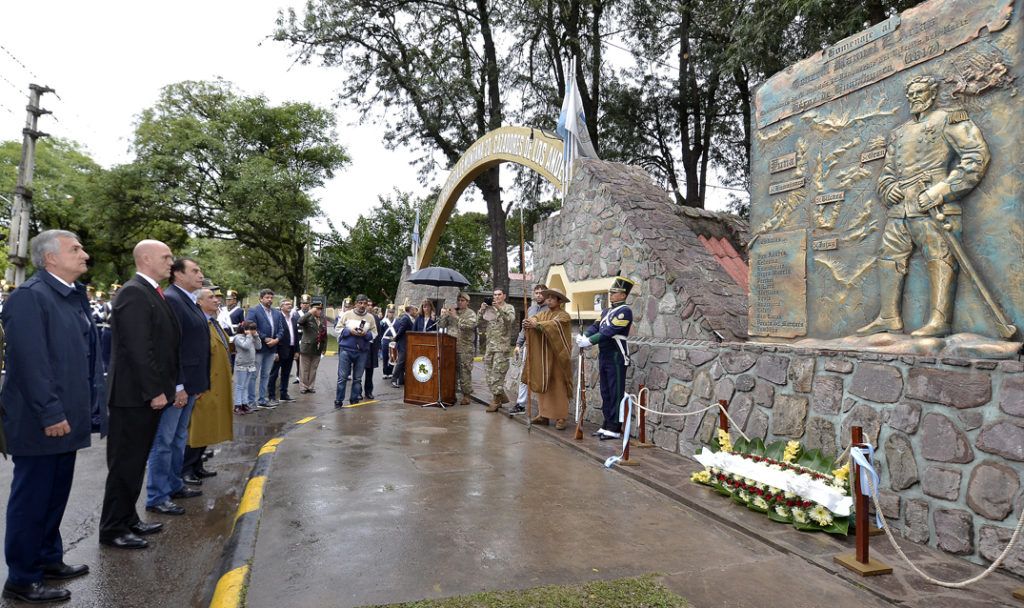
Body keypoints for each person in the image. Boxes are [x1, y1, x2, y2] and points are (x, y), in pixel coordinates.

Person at [1, 230, 101, 603]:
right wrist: (51, 412)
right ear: (49, 258)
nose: (84, 254)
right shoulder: (30, 298)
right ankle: (22, 578)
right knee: (32, 499)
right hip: (41, 418)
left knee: (54, 494)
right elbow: (30, 364)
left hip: (66, 417)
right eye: (75, 249)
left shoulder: (69, 297)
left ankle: (46, 558)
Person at [857, 76, 990, 338]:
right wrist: (887, 187)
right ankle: (889, 317)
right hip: (900, 209)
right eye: (911, 93)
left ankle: (940, 322)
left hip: (933, 205)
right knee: (888, 257)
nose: (914, 97)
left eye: (919, 92)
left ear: (931, 94)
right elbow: (886, 173)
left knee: (940, 257)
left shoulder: (948, 119)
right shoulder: (899, 133)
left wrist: (942, 191)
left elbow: (977, 156)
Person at [100, 239, 179, 550]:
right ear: (146, 258)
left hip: (141, 396)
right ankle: (112, 528)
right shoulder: (134, 292)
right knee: (125, 464)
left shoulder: (149, 291)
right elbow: (138, 348)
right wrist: (154, 391)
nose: (171, 262)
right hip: (133, 396)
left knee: (134, 463)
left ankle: (127, 518)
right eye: (165, 256)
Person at [146, 257, 209, 514]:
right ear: (178, 275)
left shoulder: (188, 299)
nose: (200, 274)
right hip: (178, 384)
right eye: (195, 270)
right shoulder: (172, 299)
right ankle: (157, 495)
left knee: (178, 438)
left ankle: (173, 484)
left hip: (191, 382)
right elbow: (173, 347)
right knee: (164, 440)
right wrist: (180, 385)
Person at [182, 288, 233, 482]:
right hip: (204, 385)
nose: (217, 300)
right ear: (199, 302)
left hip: (215, 384)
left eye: (217, 297)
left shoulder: (212, 322)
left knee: (207, 428)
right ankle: (186, 469)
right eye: (211, 297)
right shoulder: (200, 323)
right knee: (196, 429)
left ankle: (197, 465)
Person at [577, 276, 635, 440]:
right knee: (605, 391)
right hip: (605, 354)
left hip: (617, 355)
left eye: (615, 292)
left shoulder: (625, 311)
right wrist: (584, 335)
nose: (611, 294)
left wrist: (589, 341)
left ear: (623, 295)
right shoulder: (606, 311)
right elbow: (596, 326)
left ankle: (615, 427)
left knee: (615, 391)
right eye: (611, 292)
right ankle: (607, 423)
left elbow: (610, 330)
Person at [522, 288, 573, 430]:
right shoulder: (543, 313)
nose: (549, 299)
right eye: (548, 297)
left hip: (558, 357)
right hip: (543, 357)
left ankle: (561, 417)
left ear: (559, 301)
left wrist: (537, 325)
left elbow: (554, 325)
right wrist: (529, 322)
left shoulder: (564, 316)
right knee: (543, 382)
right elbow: (535, 319)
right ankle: (543, 415)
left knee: (558, 385)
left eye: (552, 297)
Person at [478, 287, 517, 412]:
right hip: (490, 346)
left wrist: (499, 309)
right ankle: (501, 395)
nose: (496, 297)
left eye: (499, 295)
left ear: (504, 296)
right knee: (489, 374)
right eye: (495, 295)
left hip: (502, 347)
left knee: (497, 375)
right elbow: (478, 322)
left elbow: (510, 321)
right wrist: (482, 310)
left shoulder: (509, 308)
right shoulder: (490, 309)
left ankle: (496, 400)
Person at [246, 289, 285, 409]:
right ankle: (251, 401)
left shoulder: (277, 313)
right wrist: (265, 338)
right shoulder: (254, 310)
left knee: (266, 375)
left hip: (272, 348)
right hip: (259, 347)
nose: (270, 300)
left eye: (271, 298)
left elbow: (281, 329)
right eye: (267, 297)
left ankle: (262, 399)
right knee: (253, 375)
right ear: (261, 298)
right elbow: (250, 326)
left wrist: (276, 340)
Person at [335, 294, 376, 407]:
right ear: (356, 303)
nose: (362, 305)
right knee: (342, 378)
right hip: (346, 350)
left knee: (357, 378)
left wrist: (366, 334)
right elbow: (337, 329)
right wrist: (349, 331)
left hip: (362, 351)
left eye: (365, 304)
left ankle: (354, 400)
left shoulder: (370, 318)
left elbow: (374, 333)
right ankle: (339, 400)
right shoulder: (347, 315)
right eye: (360, 303)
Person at [437, 292, 478, 405]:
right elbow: (441, 326)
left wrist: (456, 317)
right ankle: (451, 394)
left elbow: (470, 326)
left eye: (462, 300)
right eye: (458, 300)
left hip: (465, 348)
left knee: (464, 373)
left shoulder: (471, 314)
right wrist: (445, 315)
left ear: (467, 302)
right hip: (450, 348)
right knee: (451, 372)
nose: (460, 302)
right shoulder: (453, 312)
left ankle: (466, 395)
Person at [514, 284, 548, 413]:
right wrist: (518, 344)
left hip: (542, 348)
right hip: (529, 346)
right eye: (536, 292)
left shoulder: (549, 310)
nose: (538, 295)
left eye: (541, 292)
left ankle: (543, 410)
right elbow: (524, 329)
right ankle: (520, 404)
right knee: (525, 375)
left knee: (541, 377)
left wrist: (536, 325)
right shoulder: (531, 309)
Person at [268, 299, 298, 403]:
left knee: (286, 373)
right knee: (274, 373)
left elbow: (295, 335)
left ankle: (283, 394)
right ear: (281, 306)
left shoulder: (293, 318)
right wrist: (275, 351)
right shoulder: (277, 318)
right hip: (279, 349)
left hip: (291, 349)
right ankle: (271, 396)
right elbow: (274, 334)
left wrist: (296, 350)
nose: (289, 306)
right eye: (287, 304)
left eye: (290, 304)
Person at [232, 321, 262, 413]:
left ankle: (244, 404)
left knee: (245, 386)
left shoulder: (251, 337)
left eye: (254, 329)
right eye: (251, 329)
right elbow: (246, 346)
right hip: (241, 364)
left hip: (250, 364)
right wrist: (249, 336)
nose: (253, 331)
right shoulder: (238, 337)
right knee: (240, 386)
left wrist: (256, 336)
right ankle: (237, 405)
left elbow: (259, 346)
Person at [297, 304, 325, 393]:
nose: (319, 311)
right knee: (304, 369)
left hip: (317, 348)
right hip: (307, 347)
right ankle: (304, 386)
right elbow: (300, 321)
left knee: (313, 369)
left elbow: (324, 335)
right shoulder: (307, 318)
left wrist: (324, 348)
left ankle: (311, 386)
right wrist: (309, 312)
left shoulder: (322, 320)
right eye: (317, 309)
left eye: (320, 309)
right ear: (312, 309)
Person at [390, 305, 417, 388]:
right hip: (403, 343)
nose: (415, 312)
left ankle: (401, 380)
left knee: (403, 362)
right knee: (401, 361)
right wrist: (395, 339)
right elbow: (401, 330)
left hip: (405, 343)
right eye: (414, 310)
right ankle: (394, 380)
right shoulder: (406, 318)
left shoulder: (408, 318)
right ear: (410, 310)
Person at [363, 304, 381, 400]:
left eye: (370, 305)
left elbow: (379, 333)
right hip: (362, 348)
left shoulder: (376, 318)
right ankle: (357, 392)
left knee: (370, 373)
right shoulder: (362, 317)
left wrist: (378, 347)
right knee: (359, 372)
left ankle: (368, 391)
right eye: (367, 305)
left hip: (372, 348)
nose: (369, 307)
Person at [379, 305, 397, 379]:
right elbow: (380, 332)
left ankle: (390, 372)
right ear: (387, 312)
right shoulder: (383, 322)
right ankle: (385, 372)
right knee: (385, 356)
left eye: (392, 312)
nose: (391, 314)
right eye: (390, 312)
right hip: (385, 340)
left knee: (392, 356)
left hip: (393, 340)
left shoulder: (397, 321)